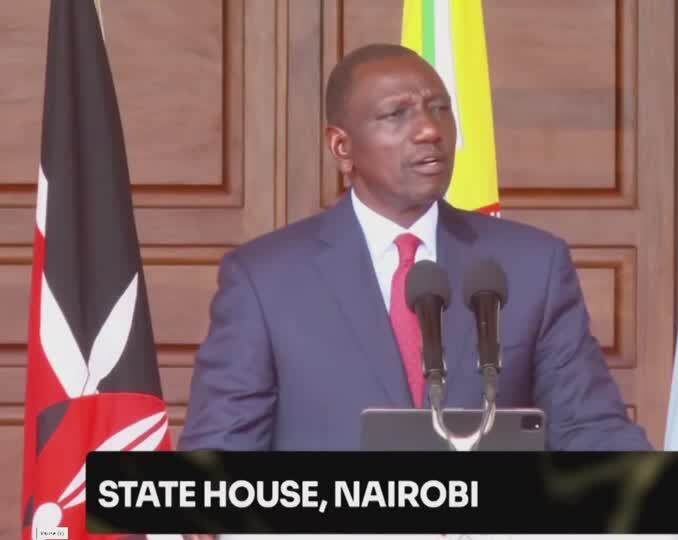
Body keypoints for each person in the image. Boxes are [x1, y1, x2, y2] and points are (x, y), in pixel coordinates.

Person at [177, 43, 652, 455]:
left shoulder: (531, 266)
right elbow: (220, 451)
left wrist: (661, 494)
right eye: (396, 114)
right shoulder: (265, 280)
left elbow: (591, 429)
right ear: (341, 147)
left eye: (439, 108)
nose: (429, 130)